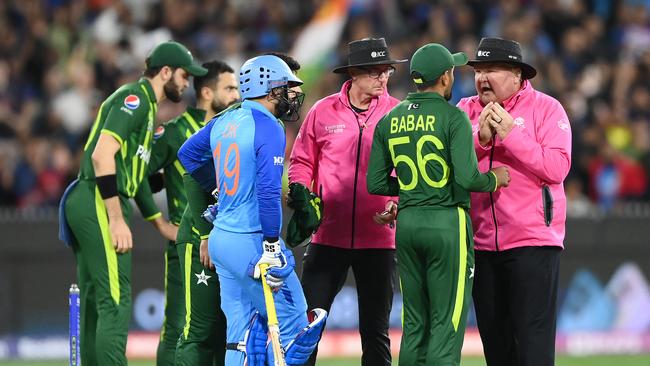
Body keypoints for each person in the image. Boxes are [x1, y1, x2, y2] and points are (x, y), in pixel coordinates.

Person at [58, 41, 207, 366]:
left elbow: (133, 172)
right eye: (183, 75)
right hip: (98, 199)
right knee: (116, 300)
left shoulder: (147, 105)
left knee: (98, 301)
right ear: (165, 71)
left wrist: (158, 222)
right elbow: (102, 155)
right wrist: (115, 217)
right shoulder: (137, 99)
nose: (186, 83)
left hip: (91, 198)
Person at [367, 42, 511, 366]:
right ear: (445, 77)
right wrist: (495, 179)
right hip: (447, 223)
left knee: (415, 324)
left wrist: (410, 187)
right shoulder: (454, 117)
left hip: (407, 224)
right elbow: (469, 179)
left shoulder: (389, 120)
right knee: (446, 325)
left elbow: (375, 183)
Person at [177, 54, 326, 366]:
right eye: (286, 87)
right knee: (295, 325)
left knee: (239, 336)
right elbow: (270, 190)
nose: (291, 95)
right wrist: (272, 244)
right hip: (251, 242)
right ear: (268, 87)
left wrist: (218, 189)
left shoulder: (226, 119)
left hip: (221, 241)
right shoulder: (268, 126)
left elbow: (188, 154)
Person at [288, 37, 406, 366]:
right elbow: (301, 162)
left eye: (386, 71)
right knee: (307, 327)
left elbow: (408, 171)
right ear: (353, 73)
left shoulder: (398, 113)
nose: (383, 78)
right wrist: (300, 191)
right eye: (375, 71)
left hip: (380, 239)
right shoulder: (322, 111)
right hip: (328, 236)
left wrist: (400, 202)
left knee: (376, 330)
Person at [457, 37, 572, 366]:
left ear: (519, 76)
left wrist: (511, 134)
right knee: (496, 346)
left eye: (491, 69)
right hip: (479, 244)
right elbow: (448, 166)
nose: (481, 77)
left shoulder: (548, 109)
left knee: (532, 346)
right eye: (478, 70)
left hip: (532, 242)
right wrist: (480, 138)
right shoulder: (464, 111)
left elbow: (556, 167)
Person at [134, 60, 240, 366]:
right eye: (230, 88)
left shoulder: (234, 128)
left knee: (222, 328)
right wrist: (159, 222)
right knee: (180, 327)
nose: (236, 95)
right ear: (207, 92)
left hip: (227, 242)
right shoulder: (176, 130)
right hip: (192, 244)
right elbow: (137, 172)